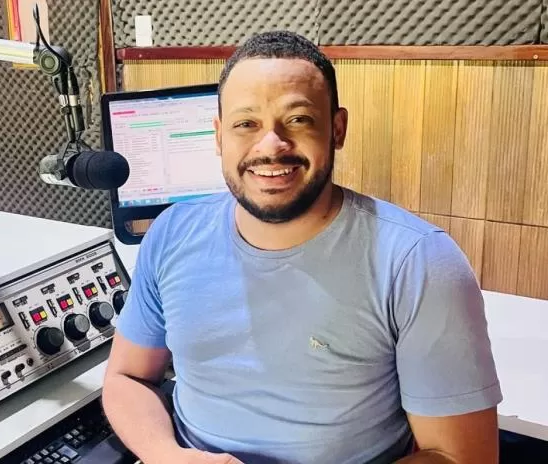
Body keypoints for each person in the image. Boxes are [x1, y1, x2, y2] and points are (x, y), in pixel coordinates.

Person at [101, 30, 502, 464]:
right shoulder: (171, 233)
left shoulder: (418, 262)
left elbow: (461, 457)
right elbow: (127, 378)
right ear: (218, 137)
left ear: (337, 129)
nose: (271, 146)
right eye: (246, 124)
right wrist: (165, 455)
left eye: (298, 120)